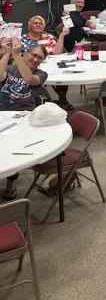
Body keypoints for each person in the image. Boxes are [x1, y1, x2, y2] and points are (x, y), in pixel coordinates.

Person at [0, 39, 49, 200]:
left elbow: (29, 79)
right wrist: (7, 53)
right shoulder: (10, 69)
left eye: (39, 58)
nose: (35, 59)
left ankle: (11, 182)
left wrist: (16, 55)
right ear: (25, 53)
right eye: (33, 55)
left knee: (12, 147)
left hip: (22, 116)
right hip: (2, 113)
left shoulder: (40, 74)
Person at [53, 0, 96, 109]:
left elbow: (83, 21)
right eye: (78, 2)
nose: (81, 4)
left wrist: (90, 23)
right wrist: (65, 18)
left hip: (80, 45)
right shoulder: (64, 14)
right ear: (71, 3)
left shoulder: (77, 14)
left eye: (82, 2)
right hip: (68, 48)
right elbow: (58, 30)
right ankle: (62, 98)